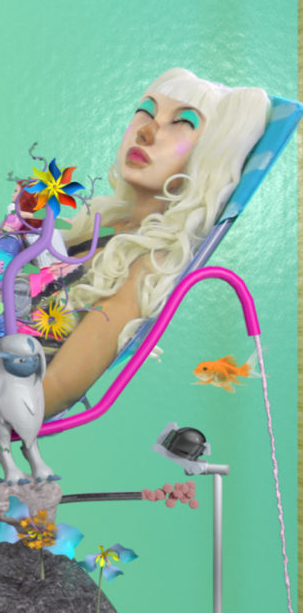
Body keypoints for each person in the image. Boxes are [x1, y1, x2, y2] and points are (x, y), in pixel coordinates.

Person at [42, 68, 270, 418]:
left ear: (209, 154)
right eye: (146, 112)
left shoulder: (145, 267)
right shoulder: (99, 219)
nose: (146, 131)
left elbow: (55, 391)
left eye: (182, 123)